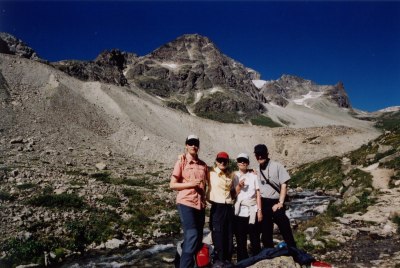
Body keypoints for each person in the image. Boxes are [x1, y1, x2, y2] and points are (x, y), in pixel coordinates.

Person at [170, 135, 208, 268]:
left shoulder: (203, 165)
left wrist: (249, 171)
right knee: (192, 235)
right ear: (186, 145)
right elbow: (173, 185)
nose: (193, 146)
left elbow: (212, 179)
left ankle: (184, 263)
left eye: (196, 143)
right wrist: (191, 184)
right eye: (190, 143)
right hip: (186, 202)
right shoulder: (181, 161)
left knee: (196, 238)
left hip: (200, 205)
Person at [253, 144, 296, 249]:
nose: (260, 157)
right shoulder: (257, 170)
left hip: (276, 201)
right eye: (258, 154)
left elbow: (284, 185)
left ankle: (293, 249)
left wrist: (280, 203)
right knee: (266, 231)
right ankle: (269, 253)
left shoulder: (277, 166)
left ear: (267, 154)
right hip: (263, 203)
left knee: (284, 226)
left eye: (262, 154)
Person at [232, 153, 262, 262]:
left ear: (248, 163)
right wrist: (239, 186)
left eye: (244, 161)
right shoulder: (233, 176)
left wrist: (259, 210)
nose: (242, 162)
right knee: (241, 241)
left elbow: (258, 194)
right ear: (237, 163)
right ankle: (242, 263)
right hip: (239, 212)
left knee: (255, 239)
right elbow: (232, 195)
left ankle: (258, 262)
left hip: (252, 211)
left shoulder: (254, 176)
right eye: (240, 160)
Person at [207, 151, 235, 266]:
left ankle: (227, 261)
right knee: (218, 236)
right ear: (216, 161)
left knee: (229, 236)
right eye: (220, 160)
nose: (222, 162)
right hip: (217, 207)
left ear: (228, 162)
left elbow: (232, 192)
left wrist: (250, 171)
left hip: (229, 207)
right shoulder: (210, 172)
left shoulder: (230, 174)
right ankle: (219, 261)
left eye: (225, 161)